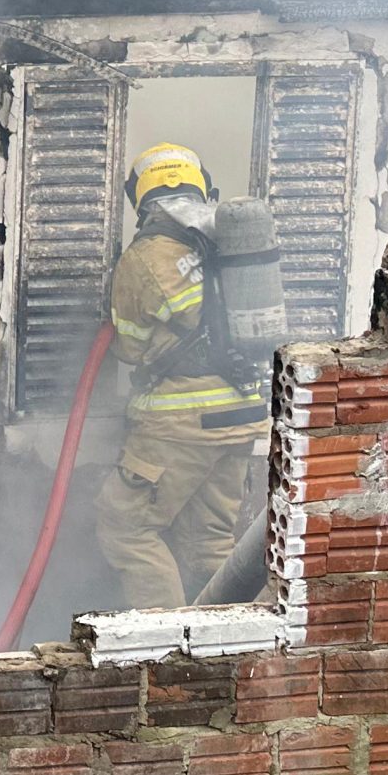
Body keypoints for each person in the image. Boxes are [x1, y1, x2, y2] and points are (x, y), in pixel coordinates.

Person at [90, 144, 266, 611]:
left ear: (141, 199)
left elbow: (128, 347)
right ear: (202, 186)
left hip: (180, 423)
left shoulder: (147, 256)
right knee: (210, 542)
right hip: (244, 414)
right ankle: (230, 647)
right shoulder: (226, 243)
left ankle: (159, 648)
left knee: (126, 528)